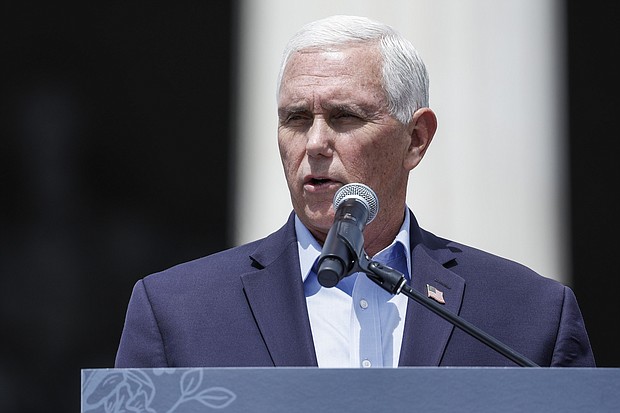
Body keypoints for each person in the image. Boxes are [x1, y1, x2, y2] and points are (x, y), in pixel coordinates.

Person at [114, 15, 595, 368]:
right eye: (296, 119)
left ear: (416, 139)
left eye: (345, 117)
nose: (316, 142)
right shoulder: (175, 312)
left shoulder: (528, 316)